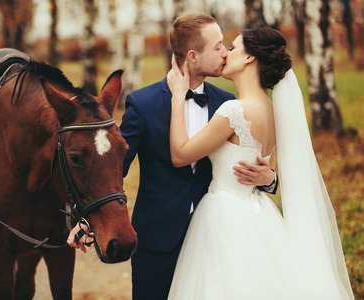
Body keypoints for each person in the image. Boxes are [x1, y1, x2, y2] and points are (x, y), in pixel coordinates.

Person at [166, 27, 355, 299]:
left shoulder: (234, 110)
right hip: (258, 213)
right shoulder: (272, 109)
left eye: (232, 48)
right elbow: (268, 168)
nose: (225, 54)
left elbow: (180, 155)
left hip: (225, 216)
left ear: (248, 59)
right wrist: (271, 178)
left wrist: (177, 96)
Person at [117, 14, 278, 300]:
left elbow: (253, 159)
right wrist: (84, 220)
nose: (225, 53)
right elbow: (113, 171)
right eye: (218, 47)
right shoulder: (142, 104)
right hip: (157, 241)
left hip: (217, 240)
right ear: (192, 55)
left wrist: (269, 180)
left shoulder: (229, 104)